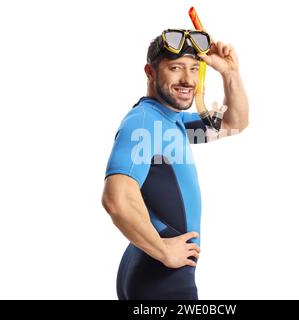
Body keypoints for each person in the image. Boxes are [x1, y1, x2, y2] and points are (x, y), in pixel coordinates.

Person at [101, 28, 249, 300]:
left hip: (152, 270)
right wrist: (163, 250)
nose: (187, 79)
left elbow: (233, 123)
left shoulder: (173, 122)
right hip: (162, 278)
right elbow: (115, 200)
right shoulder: (144, 124)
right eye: (176, 68)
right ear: (150, 72)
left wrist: (230, 74)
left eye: (194, 68)